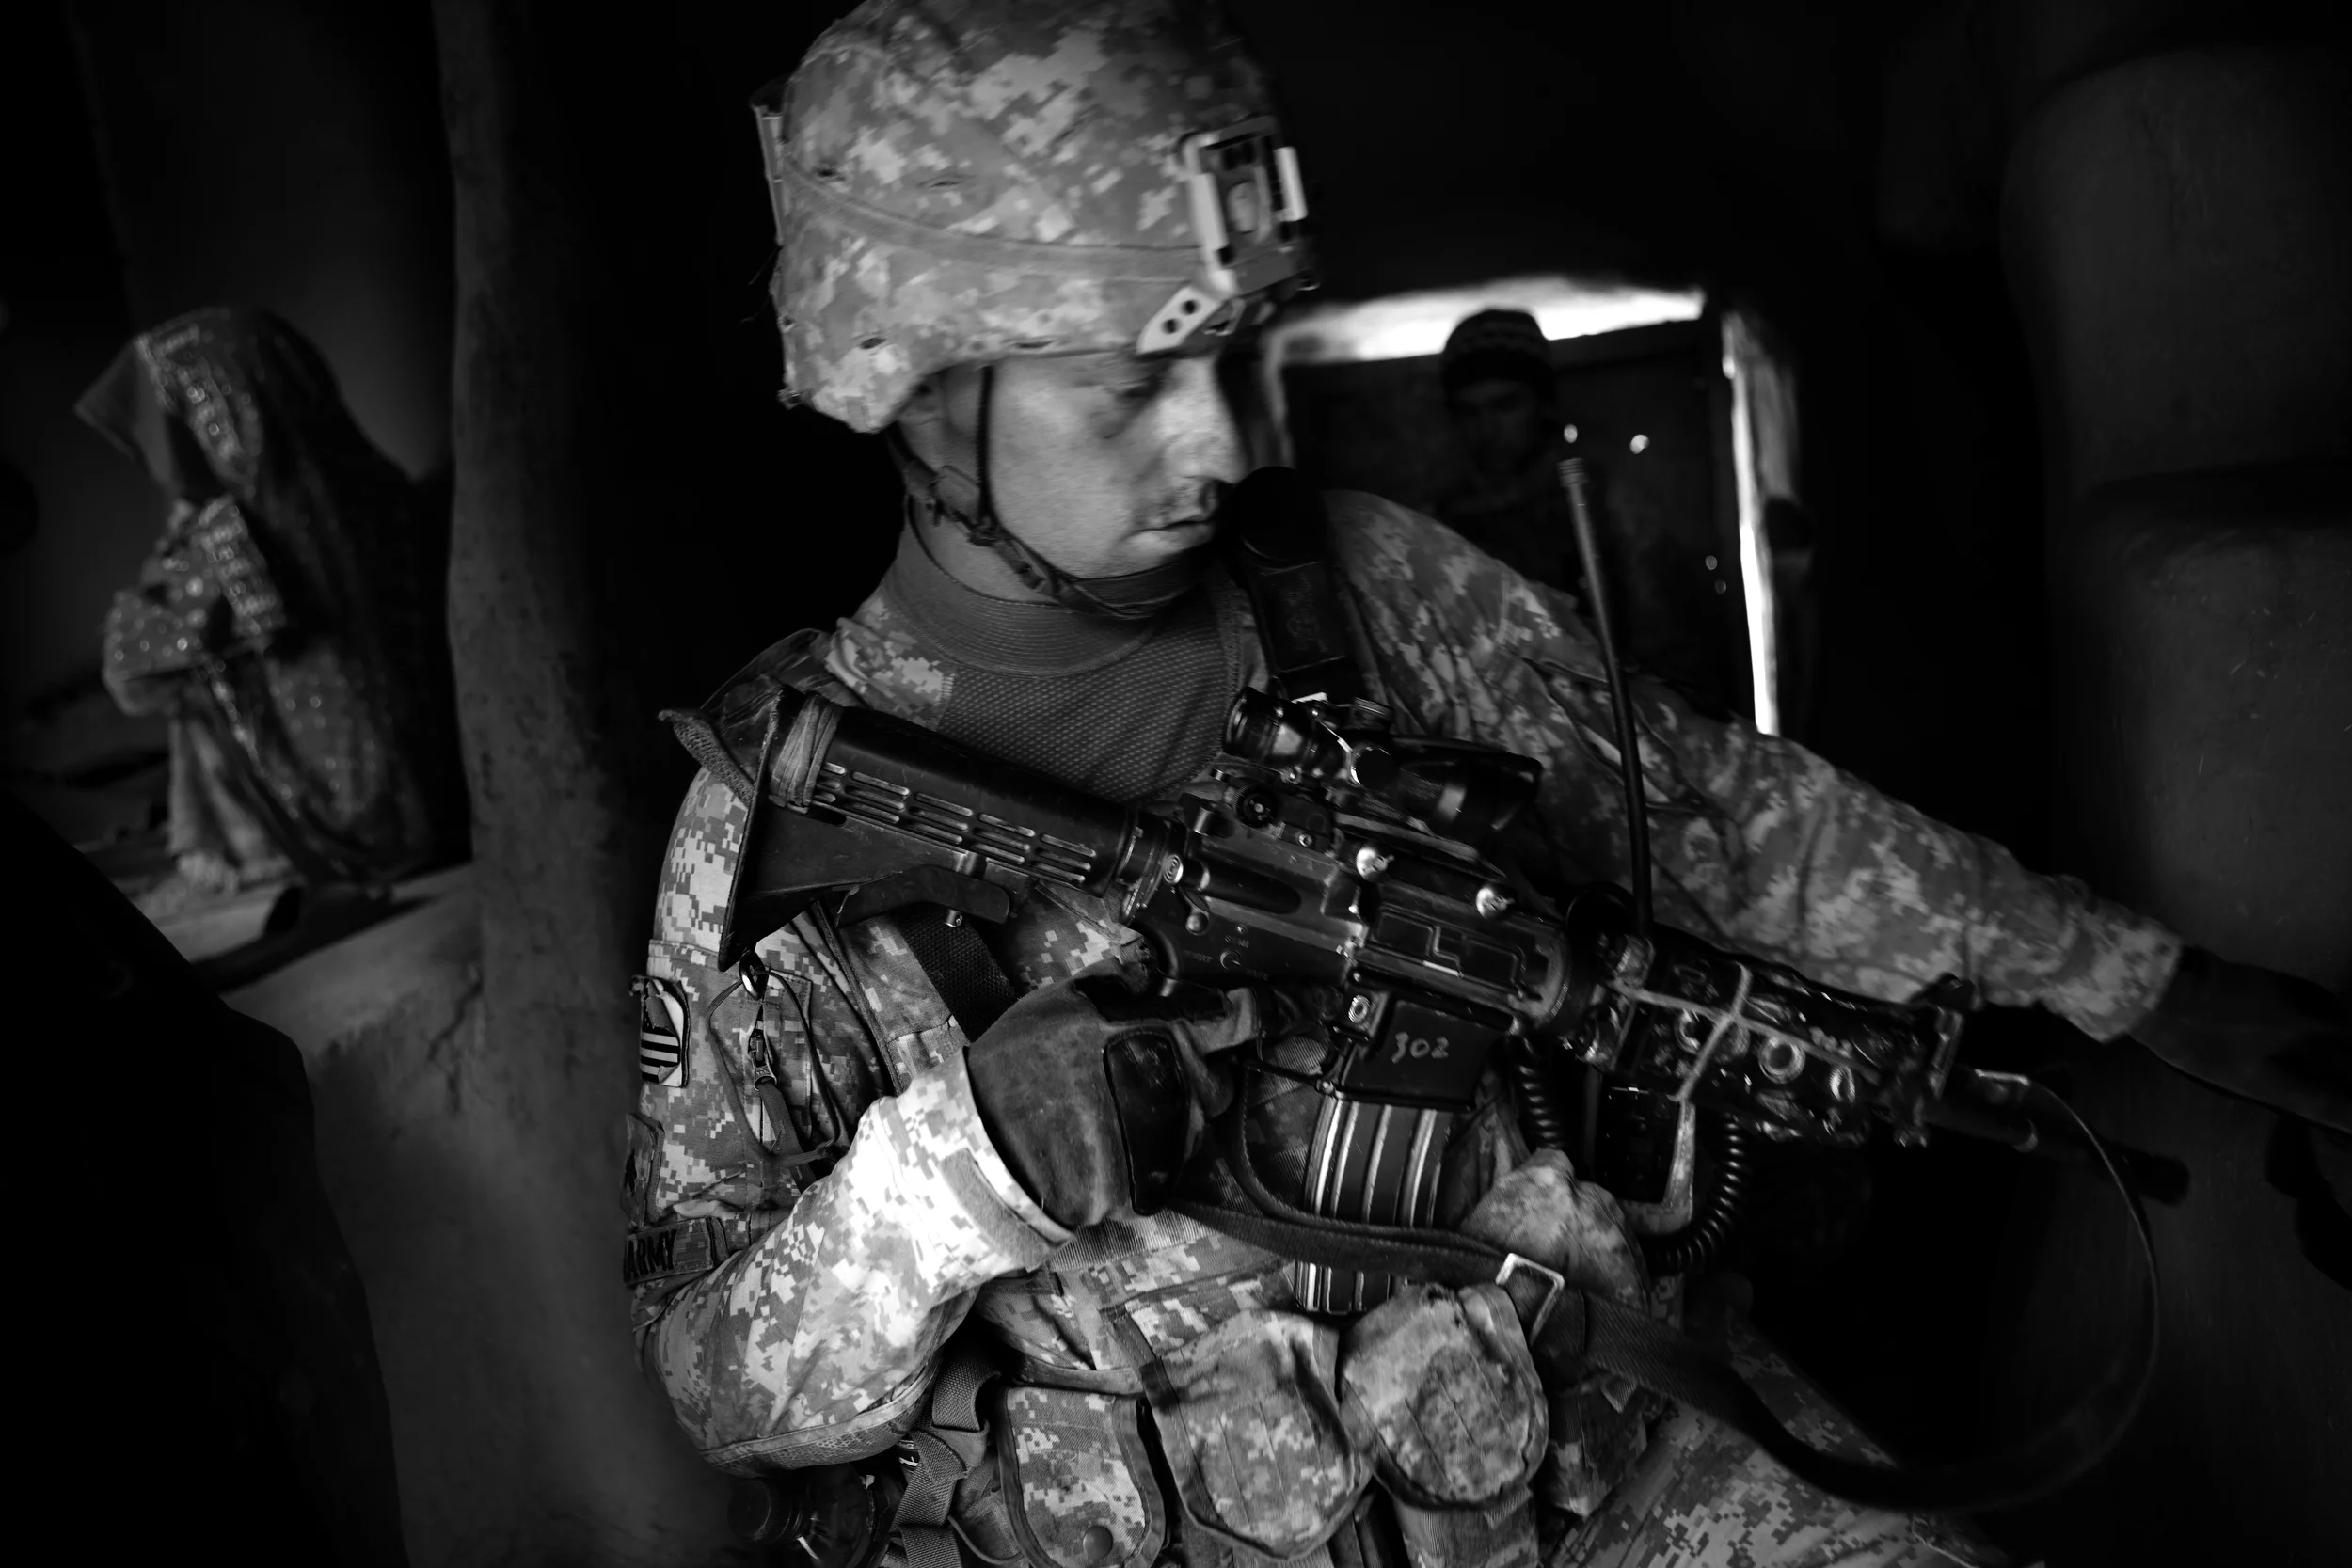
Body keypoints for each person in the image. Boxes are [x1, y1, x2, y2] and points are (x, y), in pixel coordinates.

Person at [621, 6, 2350, 1568]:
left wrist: (2139, 979)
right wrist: (955, 1173)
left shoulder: (1359, 588)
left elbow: (1735, 818)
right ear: (915, 393)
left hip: (1592, 1462)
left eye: (1237, 357)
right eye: (1136, 386)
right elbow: (716, 1381)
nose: (1222, 447)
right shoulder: (780, 819)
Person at [77, 307, 466, 912]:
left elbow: (129, 679)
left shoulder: (226, 539)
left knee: (192, 680)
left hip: (349, 828)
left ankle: (252, 851)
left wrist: (168, 567)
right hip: (449, 800)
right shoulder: (378, 489)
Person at [1428, 309, 1720, 705]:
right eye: (1469, 412)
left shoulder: (1601, 500)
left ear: (1542, 405)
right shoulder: (1444, 523)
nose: (1487, 430)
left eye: (1505, 405)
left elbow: (1671, 648)